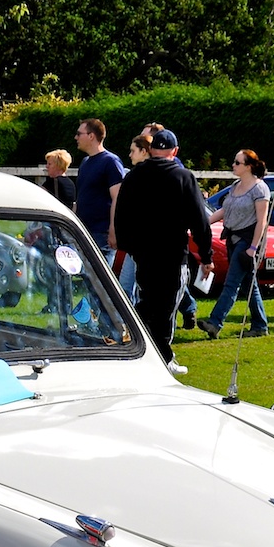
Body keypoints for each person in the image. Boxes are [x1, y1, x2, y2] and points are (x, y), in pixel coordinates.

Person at [111, 127, 212, 376]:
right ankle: (162, 356)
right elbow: (199, 220)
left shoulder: (134, 176)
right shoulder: (183, 177)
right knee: (166, 308)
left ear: (152, 149)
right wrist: (206, 256)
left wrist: (129, 246)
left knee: (146, 302)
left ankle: (141, 348)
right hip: (172, 253)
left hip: (144, 254)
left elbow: (122, 214)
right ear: (174, 151)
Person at [197, 149, 272, 338]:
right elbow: (224, 210)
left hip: (247, 242)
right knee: (250, 285)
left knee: (231, 284)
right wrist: (203, 223)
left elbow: (262, 221)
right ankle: (260, 326)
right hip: (232, 238)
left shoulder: (260, 188)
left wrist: (253, 248)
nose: (233, 165)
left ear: (248, 166)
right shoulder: (236, 186)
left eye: (237, 163)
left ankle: (215, 322)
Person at [73, 119, 126, 266]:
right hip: (84, 231)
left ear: (91, 136)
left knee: (99, 284)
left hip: (101, 233)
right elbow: (82, 196)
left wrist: (113, 229)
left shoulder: (110, 161)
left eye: (79, 134)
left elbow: (118, 198)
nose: (76, 138)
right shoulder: (85, 162)